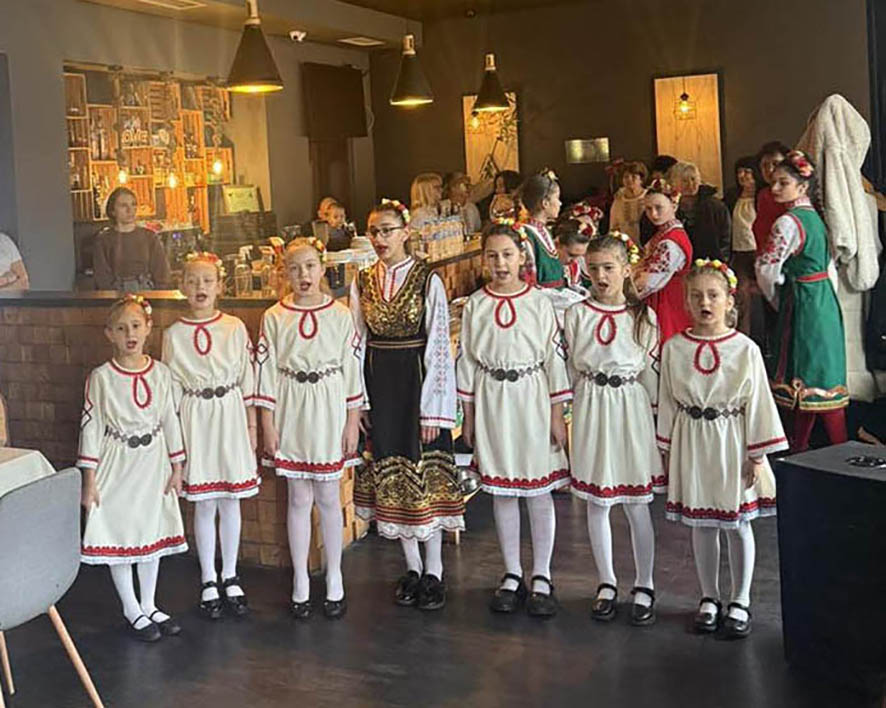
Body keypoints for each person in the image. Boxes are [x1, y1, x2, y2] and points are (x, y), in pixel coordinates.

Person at [658, 260, 787, 639]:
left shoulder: (744, 349)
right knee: (702, 523)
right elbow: (667, 400)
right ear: (686, 301)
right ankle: (709, 597)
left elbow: (758, 402)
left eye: (713, 295)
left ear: (729, 301)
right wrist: (667, 448)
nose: (705, 303)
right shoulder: (674, 348)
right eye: (696, 296)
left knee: (737, 523)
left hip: (732, 440)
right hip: (693, 439)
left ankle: (740, 599)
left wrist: (756, 454)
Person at [350, 199, 464, 611]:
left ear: (404, 233)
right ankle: (412, 566)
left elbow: (439, 346)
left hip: (416, 382)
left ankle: (435, 570)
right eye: (374, 231)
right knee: (392, 474)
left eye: (387, 230)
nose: (380, 238)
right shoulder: (363, 281)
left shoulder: (426, 278)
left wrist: (433, 409)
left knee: (424, 474)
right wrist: (359, 401)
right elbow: (356, 342)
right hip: (380, 384)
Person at [458, 220, 570, 618]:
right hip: (492, 399)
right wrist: (469, 416)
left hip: (532, 397)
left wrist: (557, 413)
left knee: (538, 490)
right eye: (492, 256)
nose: (500, 263)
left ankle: (542, 575)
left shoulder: (539, 302)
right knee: (503, 491)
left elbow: (554, 359)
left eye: (507, 254)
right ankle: (511, 573)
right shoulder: (476, 304)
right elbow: (467, 362)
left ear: (522, 257)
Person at [256, 238, 362, 619]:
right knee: (298, 497)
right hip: (291, 407)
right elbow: (265, 374)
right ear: (285, 272)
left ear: (322, 268)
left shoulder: (340, 315)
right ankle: (300, 578)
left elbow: (352, 370)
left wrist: (352, 420)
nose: (303, 275)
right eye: (295, 268)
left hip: (329, 406)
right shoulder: (274, 316)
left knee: (329, 496)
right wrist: (267, 424)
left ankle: (334, 575)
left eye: (310, 266)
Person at [565, 233, 662, 626]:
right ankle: (606, 581)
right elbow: (571, 368)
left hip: (630, 408)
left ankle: (645, 583)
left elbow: (652, 376)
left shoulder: (643, 318)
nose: (601, 276)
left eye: (609, 267)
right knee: (598, 501)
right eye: (594, 269)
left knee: (636, 503)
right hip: (592, 406)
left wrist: (659, 427)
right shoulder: (576, 314)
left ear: (626, 269)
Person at [77, 295, 187, 642]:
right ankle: (131, 607)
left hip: (153, 463)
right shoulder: (101, 378)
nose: (130, 335)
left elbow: (170, 418)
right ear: (109, 334)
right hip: (117, 463)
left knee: (150, 530)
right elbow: (91, 427)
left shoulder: (162, 373)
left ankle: (149, 603)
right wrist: (89, 480)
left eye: (136, 326)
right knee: (120, 532)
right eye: (122, 328)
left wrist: (177, 465)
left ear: (148, 328)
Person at [161, 253, 259, 621]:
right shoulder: (173, 335)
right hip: (195, 418)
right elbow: (170, 390)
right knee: (204, 502)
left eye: (207, 280)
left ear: (220, 286)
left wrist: (251, 427)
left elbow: (248, 379)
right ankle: (207, 577)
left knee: (230, 499)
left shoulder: (234, 327)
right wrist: (175, 443)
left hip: (229, 414)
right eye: (192, 281)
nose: (200, 287)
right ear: (182, 287)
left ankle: (230, 574)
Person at [755, 151, 849, 451]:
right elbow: (829, 268)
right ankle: (808, 445)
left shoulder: (788, 223)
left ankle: (812, 447)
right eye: (774, 182)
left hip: (804, 302)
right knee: (820, 372)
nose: (775, 188)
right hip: (824, 300)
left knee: (807, 371)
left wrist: (778, 300)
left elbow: (766, 268)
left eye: (783, 183)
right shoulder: (815, 219)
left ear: (802, 186)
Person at [634, 179, 693, 343]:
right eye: (648, 209)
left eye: (659, 208)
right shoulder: (664, 234)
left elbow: (650, 282)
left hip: (666, 302)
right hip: (660, 298)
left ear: (674, 206)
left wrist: (626, 294)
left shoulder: (671, 242)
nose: (653, 214)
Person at [93, 187, 172, 291]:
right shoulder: (104, 240)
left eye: (133, 204)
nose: (130, 210)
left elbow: (162, 271)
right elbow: (102, 276)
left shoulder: (150, 237)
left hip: (147, 291)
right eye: (123, 205)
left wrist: (158, 294)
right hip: (117, 292)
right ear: (112, 211)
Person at [725, 157, 761, 335]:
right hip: (739, 252)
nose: (743, 175)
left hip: (758, 251)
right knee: (741, 294)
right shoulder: (732, 196)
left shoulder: (762, 196)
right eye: (739, 172)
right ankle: (743, 333)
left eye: (747, 171)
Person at [671, 162, 731, 261]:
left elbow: (725, 238)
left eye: (693, 179)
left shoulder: (716, 207)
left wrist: (721, 261)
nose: (690, 184)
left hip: (710, 261)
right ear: (675, 183)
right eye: (685, 181)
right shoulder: (670, 206)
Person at [518, 169, 565, 288]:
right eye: (557, 198)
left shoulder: (544, 230)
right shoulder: (526, 235)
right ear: (545, 203)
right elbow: (529, 279)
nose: (560, 203)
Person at [751, 141, 791, 256]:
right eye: (764, 165)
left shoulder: (792, 195)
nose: (770, 170)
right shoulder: (762, 195)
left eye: (776, 164)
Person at [609, 161, 648, 243]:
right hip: (625, 245)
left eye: (634, 177)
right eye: (626, 177)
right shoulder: (618, 200)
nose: (629, 180)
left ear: (641, 180)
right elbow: (614, 226)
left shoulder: (649, 197)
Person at [553, 218, 592, 292]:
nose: (574, 260)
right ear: (557, 244)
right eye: (571, 255)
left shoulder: (574, 266)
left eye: (580, 256)